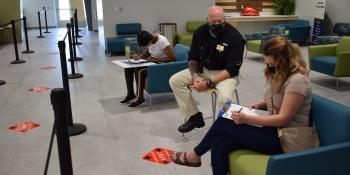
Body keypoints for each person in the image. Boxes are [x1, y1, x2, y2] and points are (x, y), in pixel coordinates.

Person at [170, 36, 313, 175]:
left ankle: (194, 155)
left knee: (225, 121)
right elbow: (281, 101)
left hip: (285, 139)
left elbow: (283, 119)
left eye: (272, 65)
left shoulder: (297, 81)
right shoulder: (282, 75)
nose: (269, 68)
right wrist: (262, 105)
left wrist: (247, 119)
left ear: (284, 61)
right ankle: (195, 156)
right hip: (273, 131)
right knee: (219, 140)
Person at [169, 6, 245, 133]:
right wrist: (196, 77)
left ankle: (225, 129)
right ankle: (194, 116)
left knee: (224, 98)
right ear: (207, 19)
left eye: (220, 21)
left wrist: (209, 83)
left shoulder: (235, 37)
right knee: (175, 81)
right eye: (213, 21)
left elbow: (232, 69)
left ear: (224, 19)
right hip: (203, 70)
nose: (217, 24)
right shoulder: (200, 32)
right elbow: (192, 58)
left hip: (225, 74)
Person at [120, 31, 175, 108]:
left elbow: (172, 58)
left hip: (162, 66)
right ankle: (131, 94)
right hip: (153, 63)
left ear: (150, 40)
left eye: (147, 44)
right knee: (128, 68)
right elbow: (148, 52)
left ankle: (140, 98)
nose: (148, 46)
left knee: (140, 71)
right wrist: (140, 57)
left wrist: (153, 60)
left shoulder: (163, 41)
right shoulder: (151, 39)